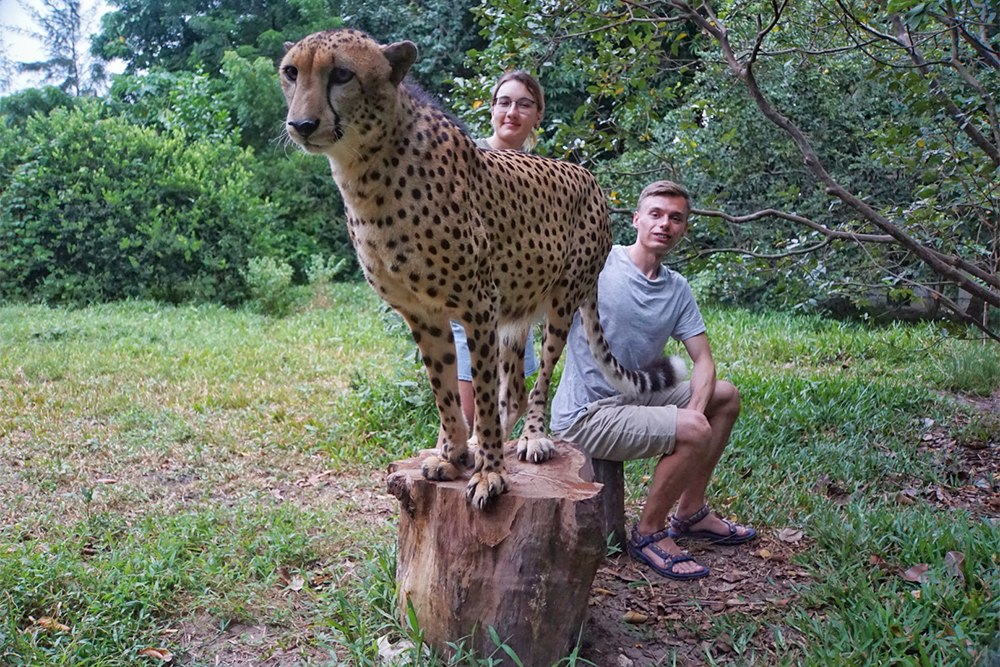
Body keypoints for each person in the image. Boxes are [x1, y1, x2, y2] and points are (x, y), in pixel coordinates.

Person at [550, 180, 755, 580]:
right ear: (636, 219)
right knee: (694, 431)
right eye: (656, 214)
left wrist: (694, 411)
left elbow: (704, 362)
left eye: (676, 218)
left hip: (638, 400)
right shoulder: (596, 261)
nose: (665, 224)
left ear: (684, 228)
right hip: (586, 415)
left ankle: (691, 512)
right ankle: (647, 533)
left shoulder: (677, 288)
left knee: (725, 397)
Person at [451, 71, 545, 428]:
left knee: (512, 402)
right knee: (470, 413)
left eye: (524, 104)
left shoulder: (542, 173)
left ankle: (489, 470)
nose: (512, 112)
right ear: (491, 109)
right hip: (468, 302)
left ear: (537, 115)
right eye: (504, 102)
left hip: (517, 304)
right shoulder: (467, 155)